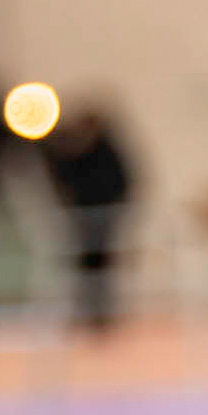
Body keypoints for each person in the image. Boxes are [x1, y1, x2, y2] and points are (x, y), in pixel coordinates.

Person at [39, 102, 134, 332]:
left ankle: (101, 313)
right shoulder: (74, 152)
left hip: (102, 218)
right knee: (82, 266)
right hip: (81, 219)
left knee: (101, 266)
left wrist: (112, 206)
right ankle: (85, 311)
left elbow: (123, 181)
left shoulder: (108, 152)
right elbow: (61, 177)